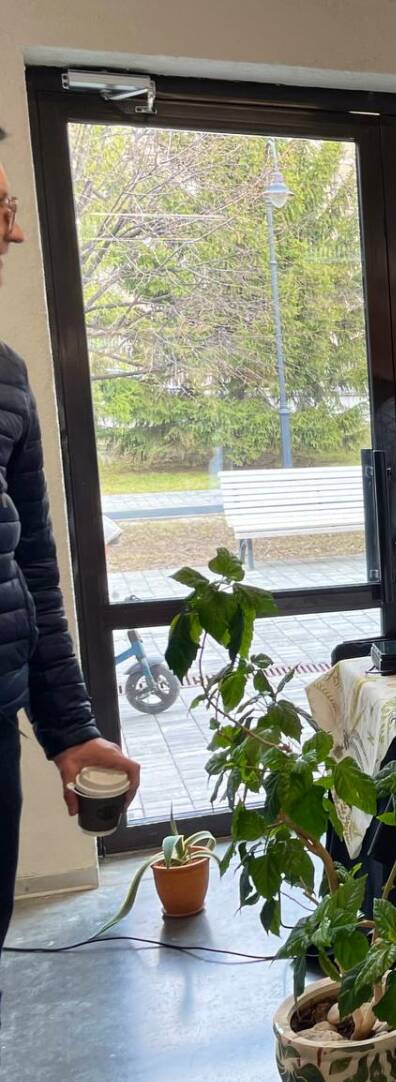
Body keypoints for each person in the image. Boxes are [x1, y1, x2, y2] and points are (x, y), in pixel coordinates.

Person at [1, 129, 140, 960]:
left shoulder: (8, 375)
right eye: (1, 208)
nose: (14, 232)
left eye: (12, 207)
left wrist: (69, 727)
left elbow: (31, 569)